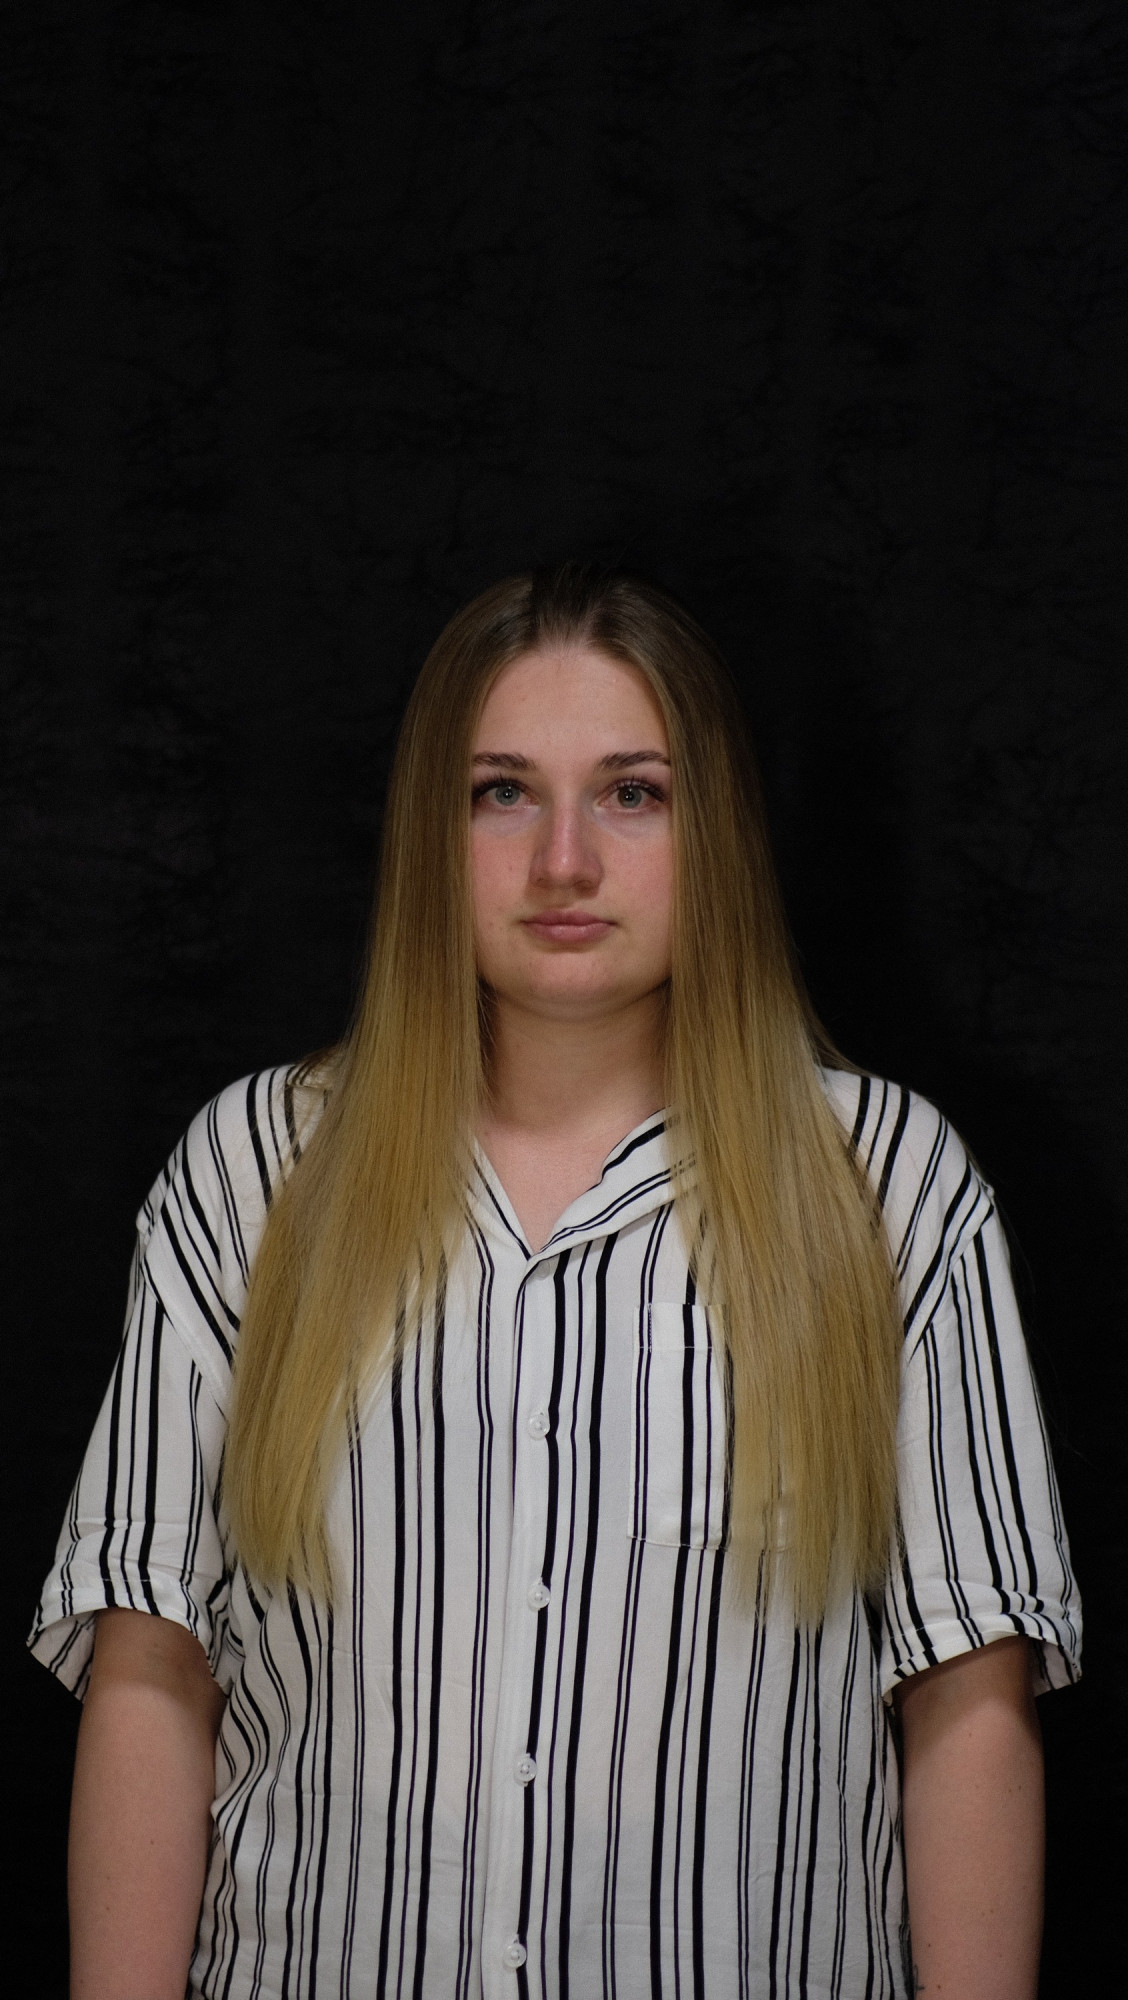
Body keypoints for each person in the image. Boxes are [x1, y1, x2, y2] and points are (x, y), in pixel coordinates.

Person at [31, 565, 1080, 2000]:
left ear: (715, 829)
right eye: (502, 793)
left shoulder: (889, 1186)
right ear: (431, 830)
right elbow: (153, 1667)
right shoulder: (255, 1173)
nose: (565, 860)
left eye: (633, 793)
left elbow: (968, 1695)